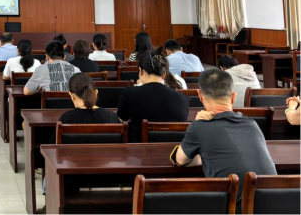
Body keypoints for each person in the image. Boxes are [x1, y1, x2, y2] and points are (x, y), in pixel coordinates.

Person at [171, 69, 277, 208]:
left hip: (237, 209)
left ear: (200, 96)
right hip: (275, 203)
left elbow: (180, 160)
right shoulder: (251, 123)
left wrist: (202, 155)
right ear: (233, 97)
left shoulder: (199, 126)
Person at [117, 51, 188, 142]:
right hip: (173, 149)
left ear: (140, 71)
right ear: (164, 75)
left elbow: (121, 120)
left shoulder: (129, 93)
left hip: (139, 148)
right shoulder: (182, 98)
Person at [50, 73, 121, 143]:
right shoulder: (112, 117)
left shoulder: (65, 118)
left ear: (72, 96)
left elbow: (54, 146)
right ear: (96, 93)